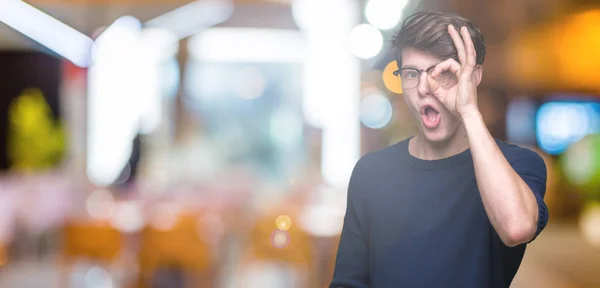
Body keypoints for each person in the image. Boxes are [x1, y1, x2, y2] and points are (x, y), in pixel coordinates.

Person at [330, 11, 548, 288]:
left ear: (474, 77)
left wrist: (468, 110)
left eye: (442, 73)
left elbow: (517, 228)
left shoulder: (519, 164)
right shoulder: (371, 173)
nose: (424, 88)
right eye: (411, 73)